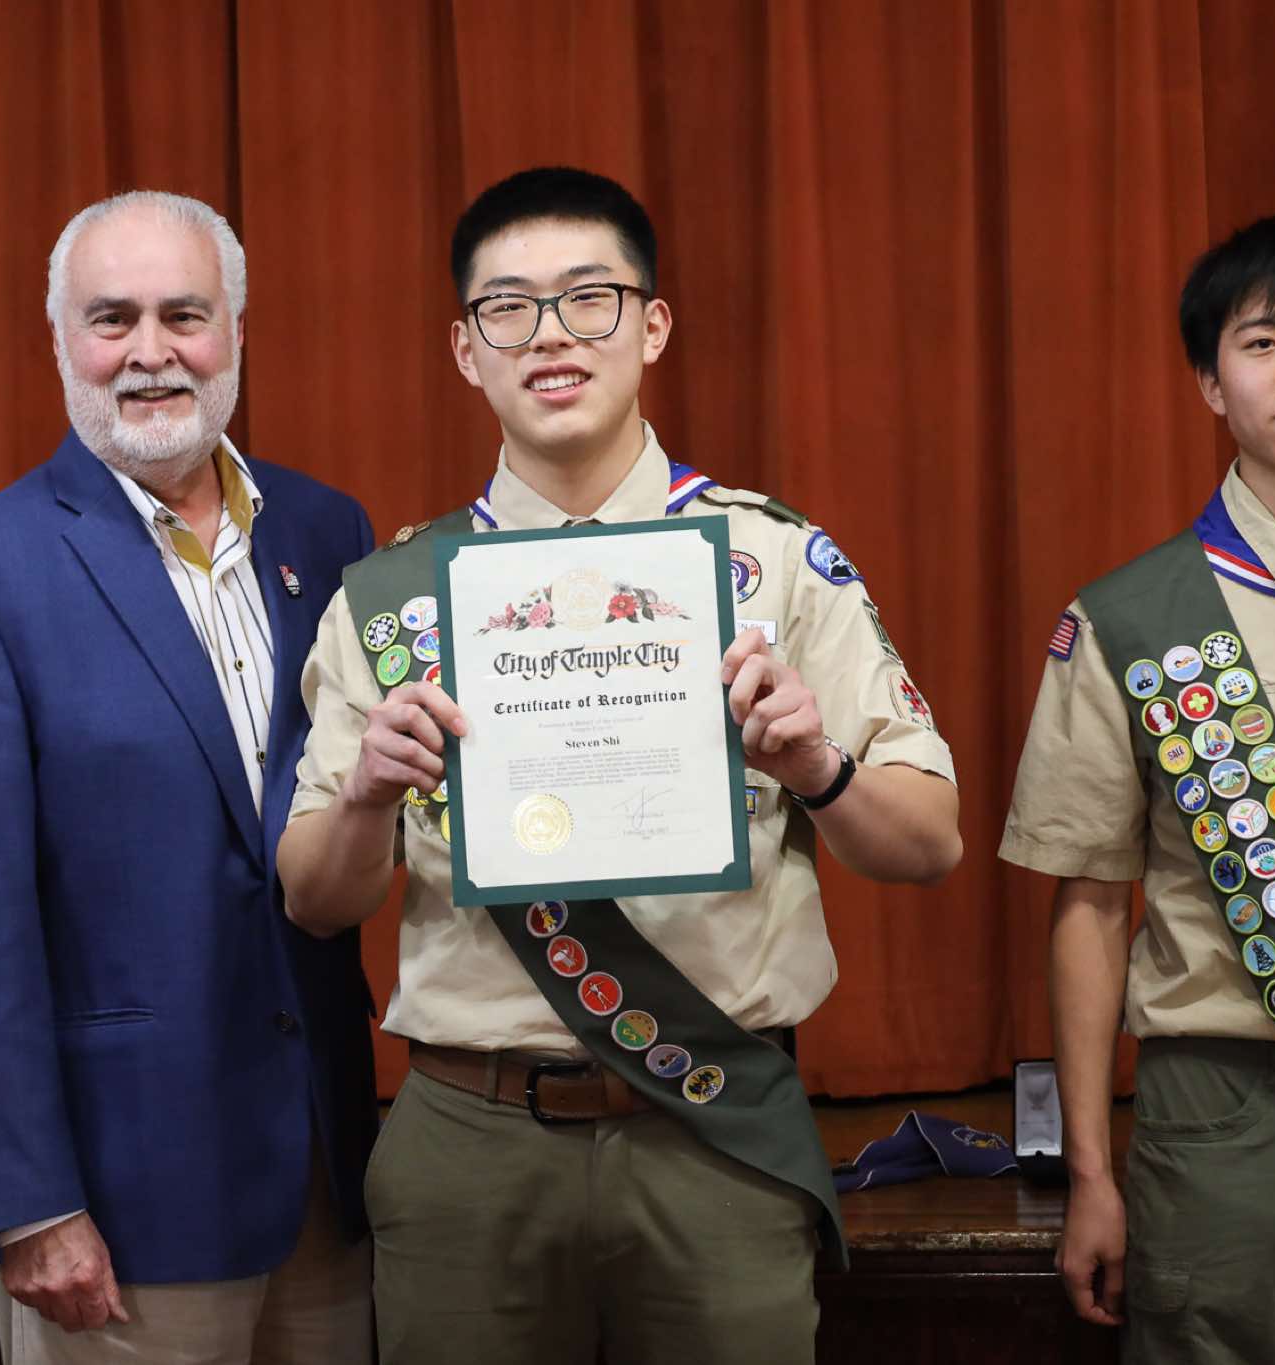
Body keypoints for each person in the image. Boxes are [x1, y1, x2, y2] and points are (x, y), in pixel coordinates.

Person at [277, 166, 962, 1364]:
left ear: (650, 326)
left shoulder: (772, 561)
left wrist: (816, 766)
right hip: (469, 1140)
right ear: (464, 350)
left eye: (588, 298)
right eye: (508, 308)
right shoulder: (393, 600)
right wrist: (369, 795)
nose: (549, 335)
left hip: (712, 1129)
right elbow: (313, 899)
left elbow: (929, 842)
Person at [0, 190, 377, 1364]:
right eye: (112, 319)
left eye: (183, 315)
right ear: (60, 341)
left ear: (235, 333)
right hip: (116, 1200)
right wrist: (27, 1204)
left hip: (326, 1175)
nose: (151, 352)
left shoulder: (328, 533)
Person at [1001, 212, 1275, 1362]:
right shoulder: (1130, 619)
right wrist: (1090, 1172)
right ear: (1208, 384)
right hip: (1223, 1110)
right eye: (1260, 342)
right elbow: (1088, 905)